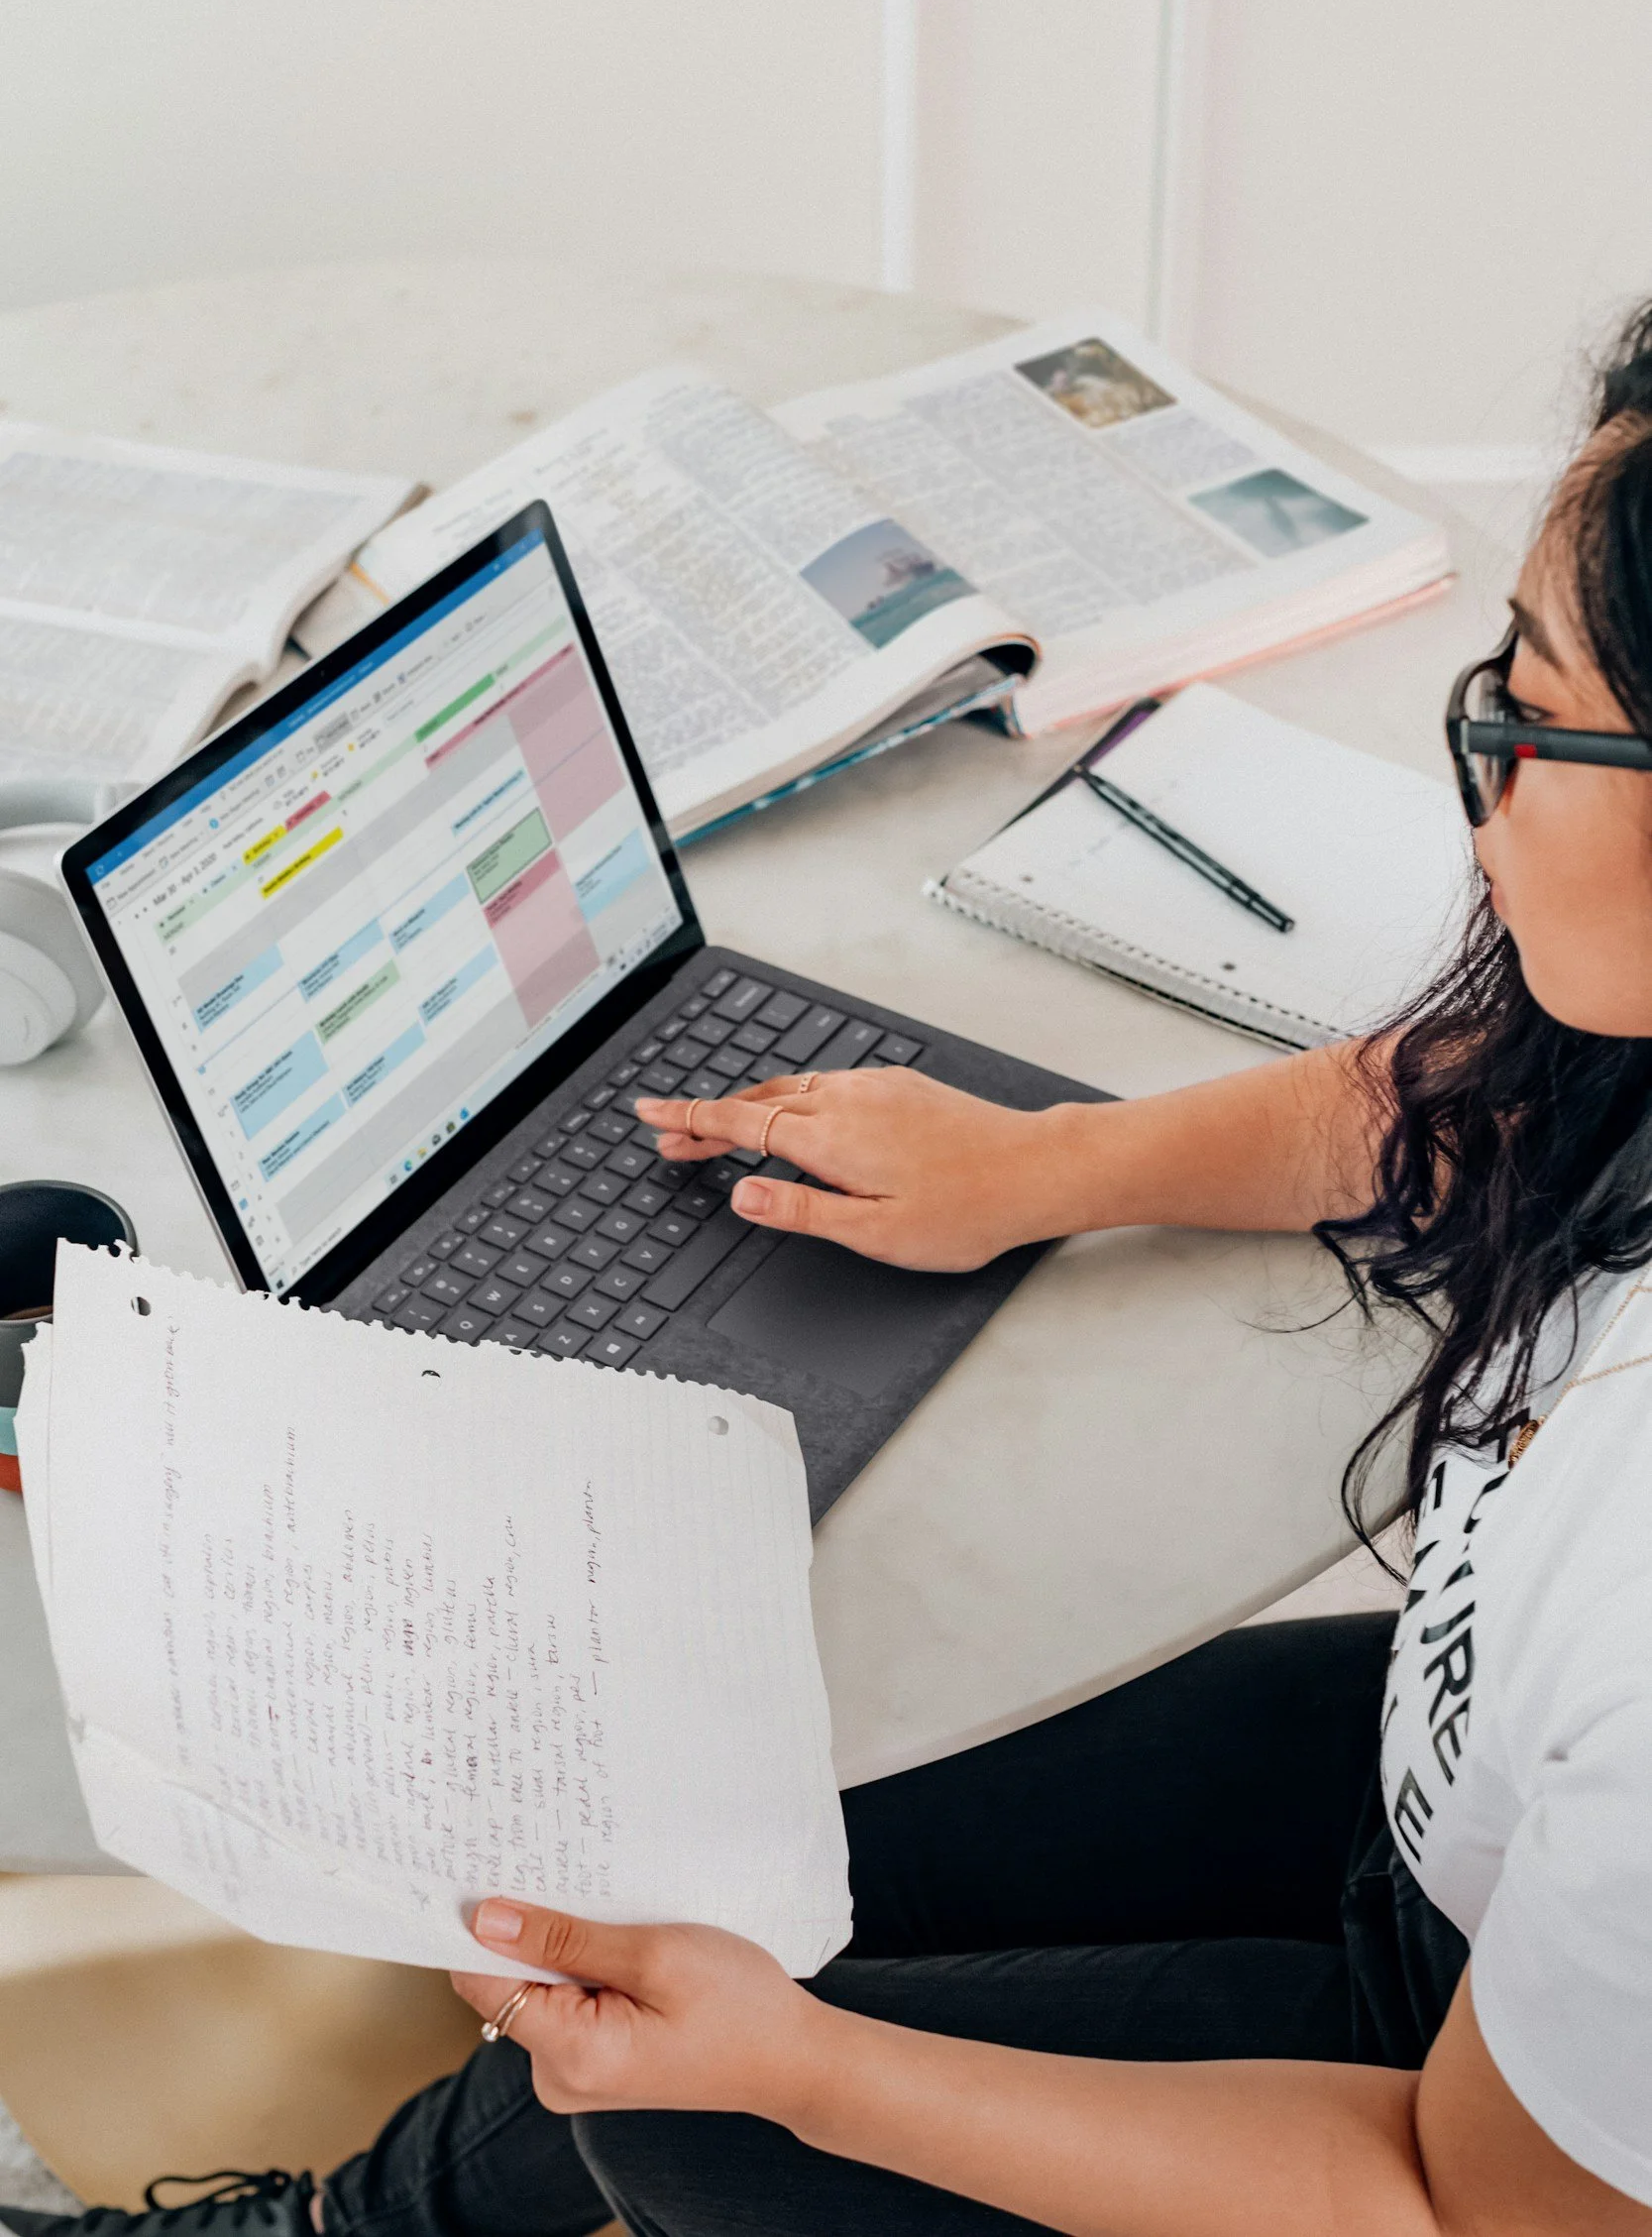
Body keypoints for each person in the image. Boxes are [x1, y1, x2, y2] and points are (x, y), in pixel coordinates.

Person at [11, 310, 1652, 2237]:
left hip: (1459, 2121)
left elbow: (1472, 2208)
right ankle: (340, 2221)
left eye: (1524, 715)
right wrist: (1037, 1165)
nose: (1475, 776)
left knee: (687, 2114)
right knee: (689, 1859)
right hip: (1452, 1804)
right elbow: (1478, 1109)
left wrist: (797, 2064)